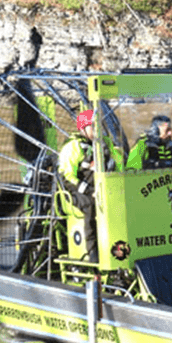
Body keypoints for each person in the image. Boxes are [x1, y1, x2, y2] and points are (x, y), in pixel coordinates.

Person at [57, 109, 123, 261]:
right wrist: (90, 192)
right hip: (77, 192)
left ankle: (118, 249)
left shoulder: (105, 144)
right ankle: (94, 255)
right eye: (94, 126)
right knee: (92, 206)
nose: (99, 129)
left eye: (100, 125)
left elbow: (117, 164)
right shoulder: (73, 147)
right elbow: (67, 176)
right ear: (83, 128)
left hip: (102, 187)